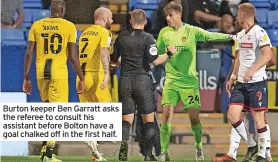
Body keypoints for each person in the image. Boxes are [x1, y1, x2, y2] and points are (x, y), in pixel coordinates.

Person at [156, 2, 235, 161]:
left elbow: (210, 35)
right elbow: (157, 55)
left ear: (178, 14)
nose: (167, 19)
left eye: (170, 15)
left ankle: (198, 148)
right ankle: (164, 152)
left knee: (194, 118)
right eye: (166, 16)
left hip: (189, 82)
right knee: (166, 115)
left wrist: (231, 36)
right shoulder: (164, 33)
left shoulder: (191, 31)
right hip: (171, 81)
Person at [22, 0, 85, 162]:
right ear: (63, 10)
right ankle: (49, 153)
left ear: (51, 10)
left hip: (41, 73)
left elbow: (29, 53)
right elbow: (72, 56)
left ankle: (44, 153)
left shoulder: (37, 25)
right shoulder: (69, 26)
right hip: (58, 73)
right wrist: (81, 76)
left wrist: (26, 77)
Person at [112, 9, 176, 161]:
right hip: (142, 81)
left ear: (130, 21)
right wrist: (169, 53)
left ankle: (123, 145)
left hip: (125, 81)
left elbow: (114, 60)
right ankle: (148, 156)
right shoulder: (148, 38)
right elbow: (155, 60)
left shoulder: (121, 37)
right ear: (145, 22)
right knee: (149, 120)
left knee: (126, 120)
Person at [211, 17, 276, 162]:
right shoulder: (240, 38)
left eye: (238, 18)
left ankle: (266, 153)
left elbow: (272, 59)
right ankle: (232, 154)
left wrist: (256, 69)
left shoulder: (259, 35)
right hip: (241, 82)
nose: (235, 21)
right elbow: (237, 60)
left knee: (260, 118)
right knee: (237, 116)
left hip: (255, 81)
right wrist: (231, 77)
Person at [77, 7, 114, 162]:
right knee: (107, 112)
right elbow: (104, 51)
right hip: (96, 75)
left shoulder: (85, 32)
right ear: (104, 19)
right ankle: (92, 141)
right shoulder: (104, 32)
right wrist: (106, 73)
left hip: (81, 77)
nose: (112, 21)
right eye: (111, 18)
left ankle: (94, 154)